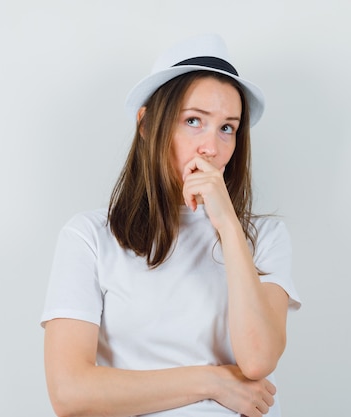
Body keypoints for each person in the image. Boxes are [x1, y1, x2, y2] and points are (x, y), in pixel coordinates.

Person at [41, 34, 301, 417]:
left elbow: (258, 361)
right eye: (194, 121)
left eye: (227, 127)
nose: (211, 147)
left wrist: (228, 225)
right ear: (147, 125)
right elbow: (69, 392)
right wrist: (211, 382)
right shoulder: (90, 236)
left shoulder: (265, 238)